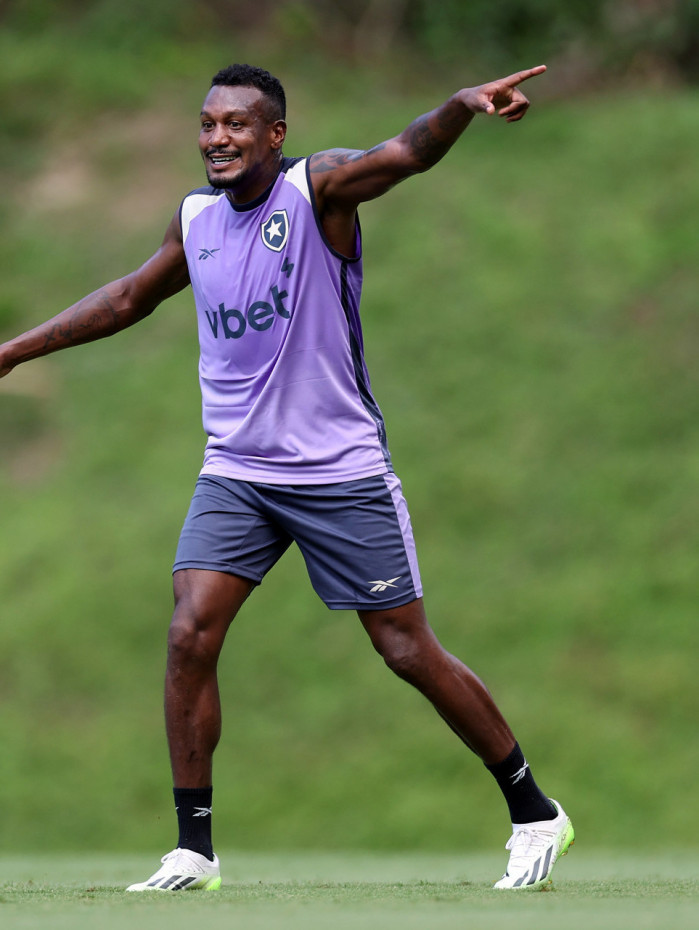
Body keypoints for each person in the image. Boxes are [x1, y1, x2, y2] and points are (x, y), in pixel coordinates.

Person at [0, 63, 574, 892]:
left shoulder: (319, 192)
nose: (217, 139)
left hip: (339, 471)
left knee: (405, 648)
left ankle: (533, 811)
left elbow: (405, 153)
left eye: (236, 125)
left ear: (274, 135)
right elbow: (127, 299)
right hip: (237, 471)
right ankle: (193, 851)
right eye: (207, 124)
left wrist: (458, 107)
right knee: (188, 632)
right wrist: (16, 350)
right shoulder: (195, 220)